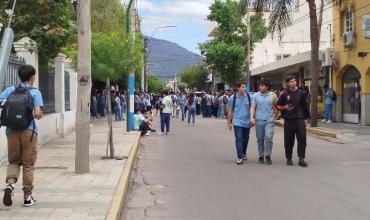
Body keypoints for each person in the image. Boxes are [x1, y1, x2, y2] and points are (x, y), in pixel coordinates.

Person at [0, 65, 43, 207]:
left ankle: (10, 185)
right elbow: (37, 114)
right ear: (32, 77)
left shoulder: (10, 90)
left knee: (13, 161)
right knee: (28, 164)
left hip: (11, 131)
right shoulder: (35, 92)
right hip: (28, 132)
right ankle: (27, 197)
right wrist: (37, 114)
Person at [276, 75, 311, 167]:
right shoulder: (284, 94)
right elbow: (277, 106)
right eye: (291, 81)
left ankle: (301, 158)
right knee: (288, 141)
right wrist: (285, 108)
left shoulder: (301, 93)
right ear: (288, 83)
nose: (294, 82)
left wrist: (308, 117)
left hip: (300, 120)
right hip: (289, 121)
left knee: (302, 139)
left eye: (295, 81)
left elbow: (305, 106)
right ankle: (289, 158)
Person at [250, 79, 277, 165]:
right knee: (260, 139)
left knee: (269, 137)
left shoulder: (273, 96)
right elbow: (253, 107)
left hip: (269, 120)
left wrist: (274, 117)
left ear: (267, 87)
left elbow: (277, 107)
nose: (260, 87)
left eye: (262, 85)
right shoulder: (255, 96)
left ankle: (268, 155)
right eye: (260, 85)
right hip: (259, 120)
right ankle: (261, 155)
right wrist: (251, 118)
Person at [227, 81, 252, 165]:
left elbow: (252, 109)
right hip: (237, 122)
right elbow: (230, 111)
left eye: (245, 86)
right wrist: (229, 123)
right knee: (239, 138)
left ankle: (244, 153)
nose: (244, 88)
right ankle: (239, 156)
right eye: (242, 86)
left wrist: (252, 119)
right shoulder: (232, 98)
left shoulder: (249, 97)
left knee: (245, 139)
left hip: (247, 122)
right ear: (238, 88)